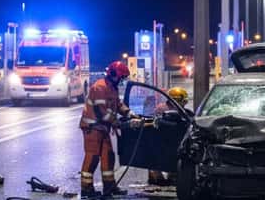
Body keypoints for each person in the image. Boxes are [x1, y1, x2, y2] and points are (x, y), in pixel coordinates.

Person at [79, 61, 141, 199]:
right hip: (92, 128)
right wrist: (117, 122)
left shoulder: (112, 87)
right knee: (92, 157)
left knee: (108, 156)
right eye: (121, 77)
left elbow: (117, 105)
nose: (121, 80)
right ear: (114, 75)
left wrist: (129, 113)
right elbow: (102, 112)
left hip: (102, 128)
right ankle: (86, 190)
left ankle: (109, 187)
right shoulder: (100, 87)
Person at [147, 87, 194, 186]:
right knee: (160, 157)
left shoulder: (181, 111)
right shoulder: (165, 110)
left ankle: (165, 176)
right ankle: (157, 177)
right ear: (176, 100)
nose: (185, 103)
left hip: (169, 141)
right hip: (164, 141)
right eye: (183, 101)